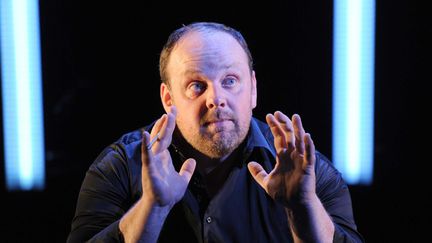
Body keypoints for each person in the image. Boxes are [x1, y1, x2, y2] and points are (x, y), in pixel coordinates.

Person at [67, 22, 363, 243]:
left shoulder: (309, 174)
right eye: (197, 85)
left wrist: (303, 208)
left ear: (253, 89)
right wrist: (151, 208)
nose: (216, 98)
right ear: (169, 99)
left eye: (230, 80)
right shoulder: (119, 166)